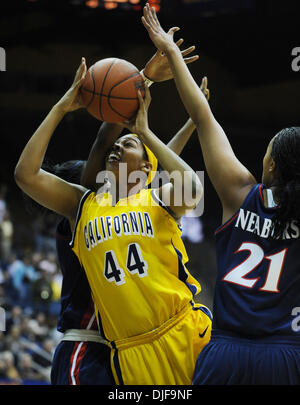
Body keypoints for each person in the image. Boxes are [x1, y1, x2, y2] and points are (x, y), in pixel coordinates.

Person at [14, 47, 212, 384]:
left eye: (128, 144)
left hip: (180, 329)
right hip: (117, 346)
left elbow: (180, 183)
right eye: (118, 146)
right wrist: (62, 106)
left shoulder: (153, 198)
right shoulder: (84, 203)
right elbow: (27, 175)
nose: (117, 147)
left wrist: (187, 122)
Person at [141, 3, 300, 385]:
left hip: (226, 351)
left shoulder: (240, 191)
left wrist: (173, 53)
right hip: (285, 354)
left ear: (272, 166)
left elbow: (202, 116)